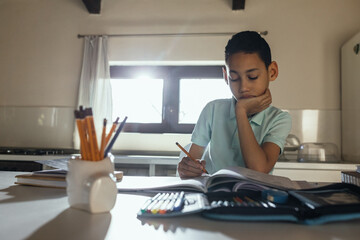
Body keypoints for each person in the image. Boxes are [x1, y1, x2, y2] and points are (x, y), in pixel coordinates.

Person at [177, 31, 292, 178]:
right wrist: (187, 168)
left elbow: (259, 169)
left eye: (252, 77)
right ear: (226, 76)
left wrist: (241, 112)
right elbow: (192, 159)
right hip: (214, 195)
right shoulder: (212, 110)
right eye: (234, 78)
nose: (243, 87)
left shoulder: (279, 119)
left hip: (254, 197)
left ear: (272, 72)